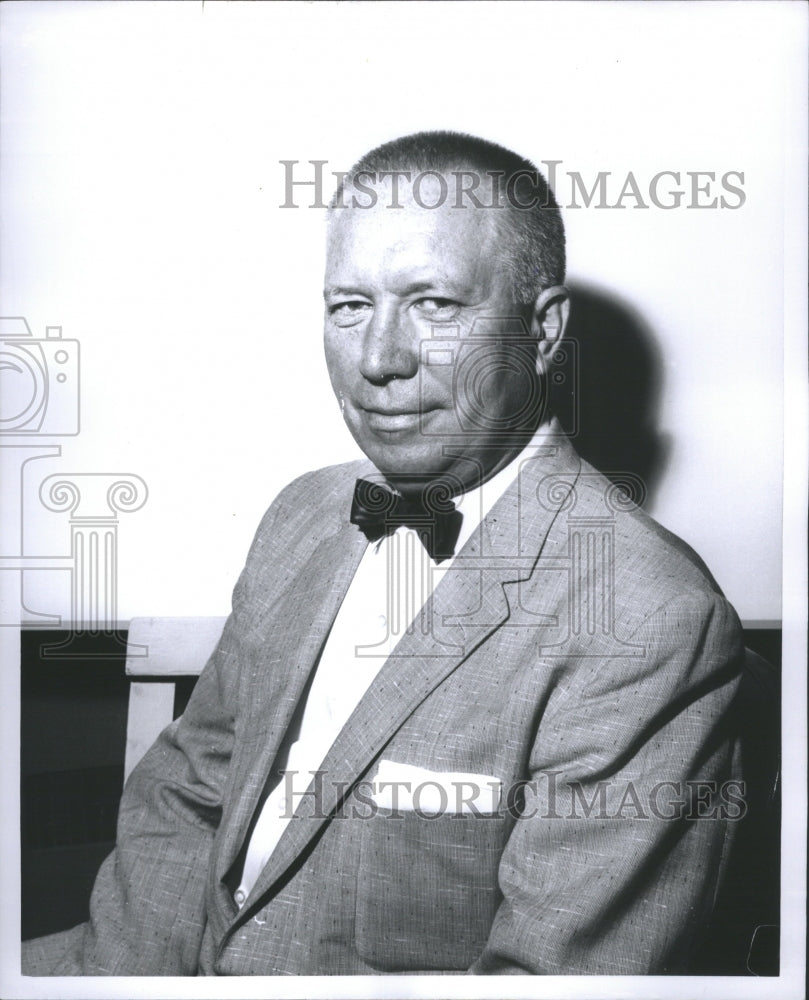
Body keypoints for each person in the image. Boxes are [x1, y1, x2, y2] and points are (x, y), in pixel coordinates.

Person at [23, 131, 744, 976]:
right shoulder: (305, 512)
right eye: (349, 306)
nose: (377, 360)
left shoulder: (651, 615)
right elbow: (188, 791)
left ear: (542, 332)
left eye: (434, 304)